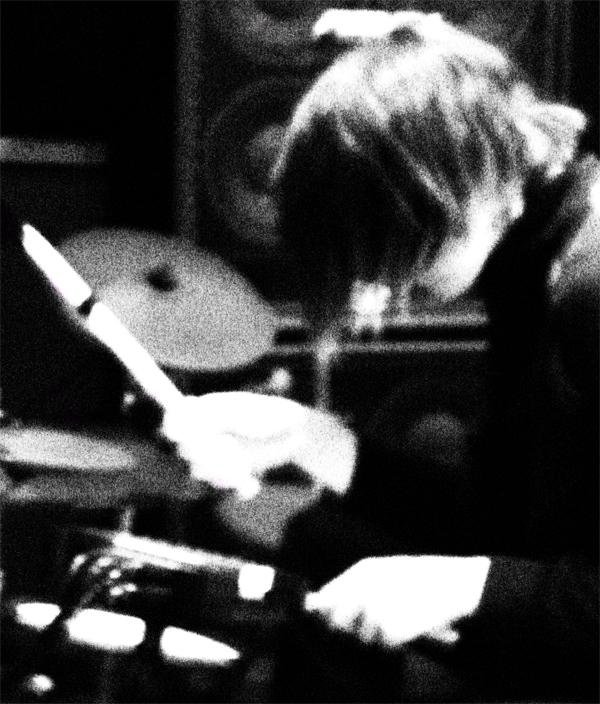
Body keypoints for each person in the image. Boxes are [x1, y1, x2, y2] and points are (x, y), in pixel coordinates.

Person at [161, 9, 599, 702]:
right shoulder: (526, 261)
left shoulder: (589, 283)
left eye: (386, 246)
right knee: (321, 540)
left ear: (446, 182)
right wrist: (314, 440)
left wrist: (469, 586)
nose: (380, 293)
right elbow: (508, 519)